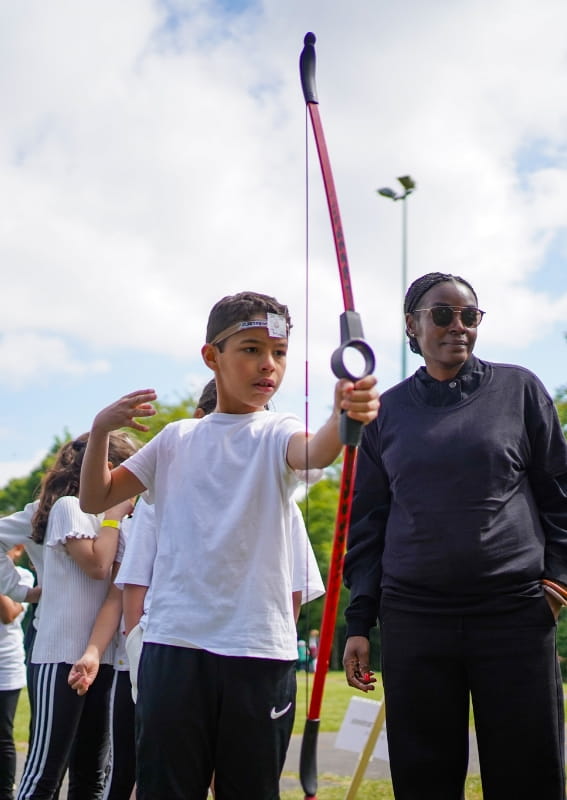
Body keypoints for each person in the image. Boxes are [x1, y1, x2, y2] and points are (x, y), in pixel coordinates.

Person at [78, 290, 378, 800]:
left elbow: (315, 451)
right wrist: (101, 430)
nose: (269, 365)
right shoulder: (176, 439)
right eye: (251, 349)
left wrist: (342, 417)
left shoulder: (277, 431)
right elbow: (96, 496)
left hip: (258, 652)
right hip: (174, 646)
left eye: (280, 353)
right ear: (211, 356)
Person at [342, 271, 567, 800]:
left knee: (528, 772)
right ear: (412, 325)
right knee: (424, 778)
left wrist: (558, 579)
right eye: (442, 315)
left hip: (514, 613)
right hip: (415, 619)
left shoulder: (521, 390)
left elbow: (559, 493)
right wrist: (359, 619)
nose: (458, 326)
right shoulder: (385, 412)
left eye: (470, 315)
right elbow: (368, 523)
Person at [16, 432, 138, 800]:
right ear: (109, 470)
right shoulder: (70, 507)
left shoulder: (124, 521)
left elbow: (117, 591)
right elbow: (98, 567)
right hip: (60, 656)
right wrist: (25, 591)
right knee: (44, 775)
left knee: (91, 778)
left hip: (101, 659)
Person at [0, 546, 34, 800]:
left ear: (19, 549)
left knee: (3, 734)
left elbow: (9, 613)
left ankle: (5, 792)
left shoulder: (23, 577)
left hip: (6, 666)